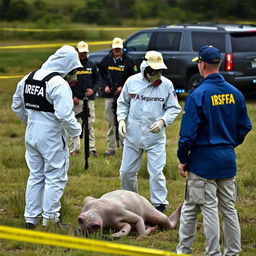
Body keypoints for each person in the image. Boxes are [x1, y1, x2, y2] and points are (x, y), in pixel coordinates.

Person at [176, 45, 252, 255]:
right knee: (229, 208)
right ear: (217, 64)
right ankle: (233, 252)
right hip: (227, 160)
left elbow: (187, 135)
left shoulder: (198, 94)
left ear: (202, 65)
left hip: (203, 162)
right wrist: (228, 144)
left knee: (209, 208)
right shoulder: (235, 93)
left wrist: (183, 158)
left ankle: (213, 253)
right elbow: (245, 126)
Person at [11, 45, 82, 229]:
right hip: (51, 135)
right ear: (68, 66)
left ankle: (31, 219)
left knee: (35, 176)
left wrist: (30, 121)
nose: (74, 75)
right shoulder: (59, 83)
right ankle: (50, 219)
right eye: (74, 71)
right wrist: (76, 134)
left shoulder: (28, 78)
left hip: (32, 133)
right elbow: (64, 115)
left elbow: (16, 105)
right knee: (55, 176)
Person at [117, 51, 182, 213]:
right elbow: (123, 103)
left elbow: (174, 108)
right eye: (154, 71)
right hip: (132, 136)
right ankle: (131, 200)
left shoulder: (166, 85)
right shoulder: (132, 82)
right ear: (145, 68)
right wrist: (121, 120)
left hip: (155, 138)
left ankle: (159, 204)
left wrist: (162, 121)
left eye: (160, 71)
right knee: (126, 172)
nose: (157, 74)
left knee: (156, 172)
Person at [99, 37, 137, 156]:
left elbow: (133, 78)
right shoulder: (106, 60)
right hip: (109, 95)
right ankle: (111, 148)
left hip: (124, 96)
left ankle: (125, 146)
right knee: (110, 121)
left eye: (119, 49)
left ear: (122, 49)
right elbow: (100, 75)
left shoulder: (129, 61)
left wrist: (123, 87)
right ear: (112, 48)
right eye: (115, 49)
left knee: (123, 121)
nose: (117, 51)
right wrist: (105, 86)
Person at [69, 41, 101, 157]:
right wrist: (72, 97)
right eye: (81, 52)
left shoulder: (92, 65)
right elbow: (66, 83)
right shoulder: (71, 65)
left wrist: (93, 90)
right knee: (74, 125)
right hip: (76, 101)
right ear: (77, 51)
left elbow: (98, 80)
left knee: (89, 125)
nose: (83, 54)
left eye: (85, 52)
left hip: (89, 100)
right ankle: (74, 149)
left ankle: (92, 149)